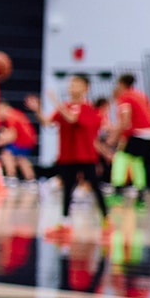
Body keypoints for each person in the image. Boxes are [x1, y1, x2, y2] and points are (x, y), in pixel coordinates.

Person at [32, 76, 112, 224]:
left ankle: (106, 218)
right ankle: (65, 220)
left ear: (86, 88)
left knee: (95, 186)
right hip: (67, 155)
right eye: (71, 84)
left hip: (86, 155)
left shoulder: (89, 109)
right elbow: (47, 122)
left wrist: (55, 102)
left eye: (77, 84)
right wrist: (37, 110)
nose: (72, 87)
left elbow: (72, 119)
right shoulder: (64, 107)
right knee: (67, 188)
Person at [109, 73, 150, 208]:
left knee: (121, 157)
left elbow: (126, 122)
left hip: (140, 132)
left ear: (121, 84)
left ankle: (118, 191)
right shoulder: (140, 95)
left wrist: (117, 137)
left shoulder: (125, 97)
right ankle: (140, 195)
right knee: (136, 161)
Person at [0, 101, 39, 186]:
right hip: (27, 140)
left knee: (6, 154)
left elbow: (12, 135)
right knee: (22, 159)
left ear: (3, 107)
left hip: (23, 141)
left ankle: (11, 177)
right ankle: (31, 180)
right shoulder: (14, 114)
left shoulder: (10, 115)